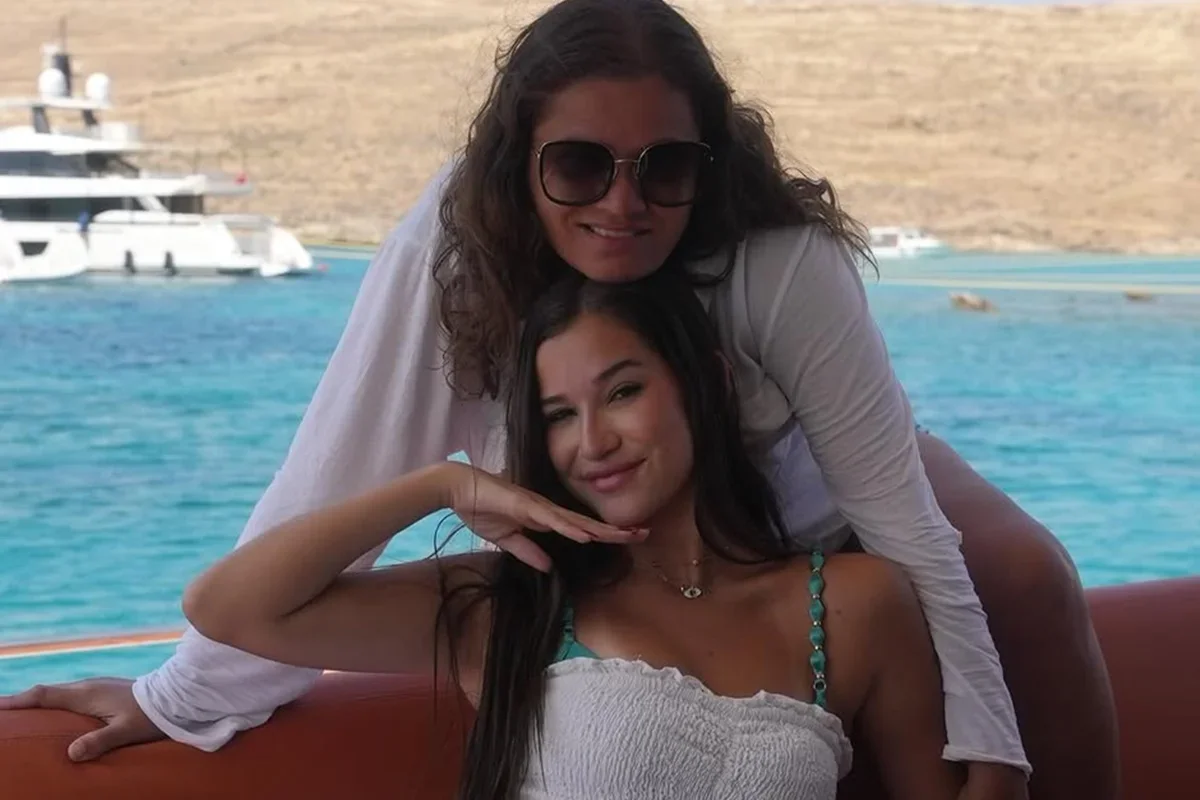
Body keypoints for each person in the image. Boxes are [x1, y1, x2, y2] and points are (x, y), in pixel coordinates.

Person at [0, 1, 1116, 798]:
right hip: (624, 521)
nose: (624, 202)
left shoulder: (780, 259)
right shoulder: (457, 247)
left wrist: (992, 739)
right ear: (518, 159)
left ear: (707, 160)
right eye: (580, 164)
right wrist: (188, 695)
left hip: (813, 472)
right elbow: (337, 465)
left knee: (1023, 578)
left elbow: (899, 515)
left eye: (664, 166)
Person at [182, 270, 964, 800]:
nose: (593, 441)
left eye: (622, 392)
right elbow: (229, 608)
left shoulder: (855, 604)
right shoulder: (513, 602)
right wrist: (438, 485)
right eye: (558, 415)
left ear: (709, 385)